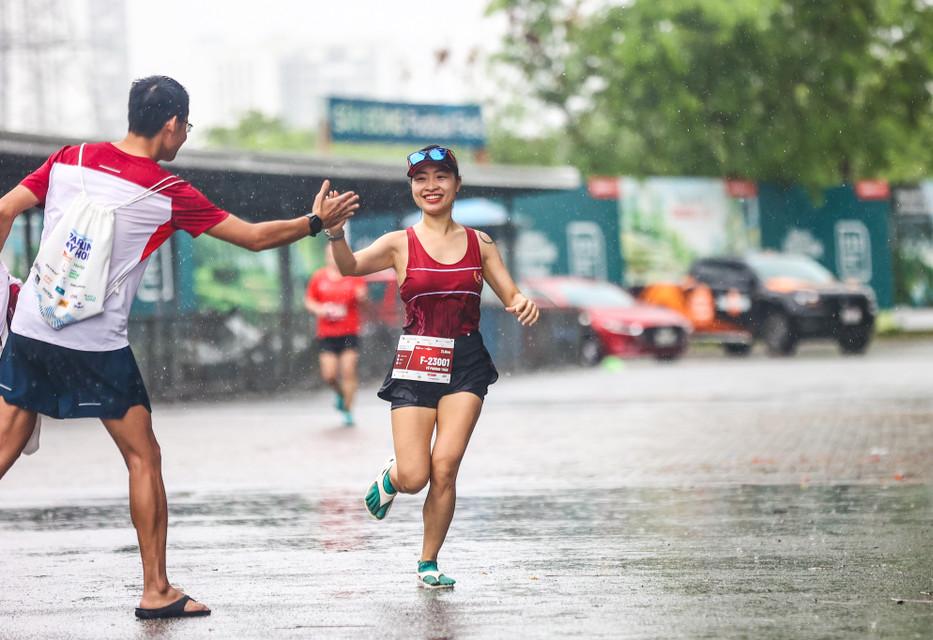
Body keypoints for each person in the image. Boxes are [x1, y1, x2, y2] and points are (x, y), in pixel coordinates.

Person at [0, 75, 359, 619]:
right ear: (171, 123)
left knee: (8, 440)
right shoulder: (168, 194)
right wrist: (316, 221)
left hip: (32, 327)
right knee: (143, 457)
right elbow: (255, 236)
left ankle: (159, 588)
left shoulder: (69, 158)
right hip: (97, 345)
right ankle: (156, 590)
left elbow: (4, 211)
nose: (185, 136)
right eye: (186, 126)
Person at [324, 144, 539, 588]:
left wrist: (522, 303)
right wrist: (335, 233)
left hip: (466, 363)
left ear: (457, 184)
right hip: (417, 362)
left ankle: (429, 562)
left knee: (445, 467)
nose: (431, 186)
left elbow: (510, 293)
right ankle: (392, 476)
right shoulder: (398, 244)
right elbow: (348, 267)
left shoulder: (480, 243)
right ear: (412, 189)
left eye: (441, 176)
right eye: (421, 179)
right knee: (416, 475)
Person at [304, 243, 369, 426]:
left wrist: (362, 297)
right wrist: (321, 309)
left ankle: (348, 410)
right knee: (329, 375)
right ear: (326, 257)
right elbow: (309, 301)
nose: (333, 258)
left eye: (336, 254)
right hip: (327, 333)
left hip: (350, 332)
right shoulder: (319, 277)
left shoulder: (354, 275)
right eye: (329, 255)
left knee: (348, 371)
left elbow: (365, 303)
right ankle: (340, 395)